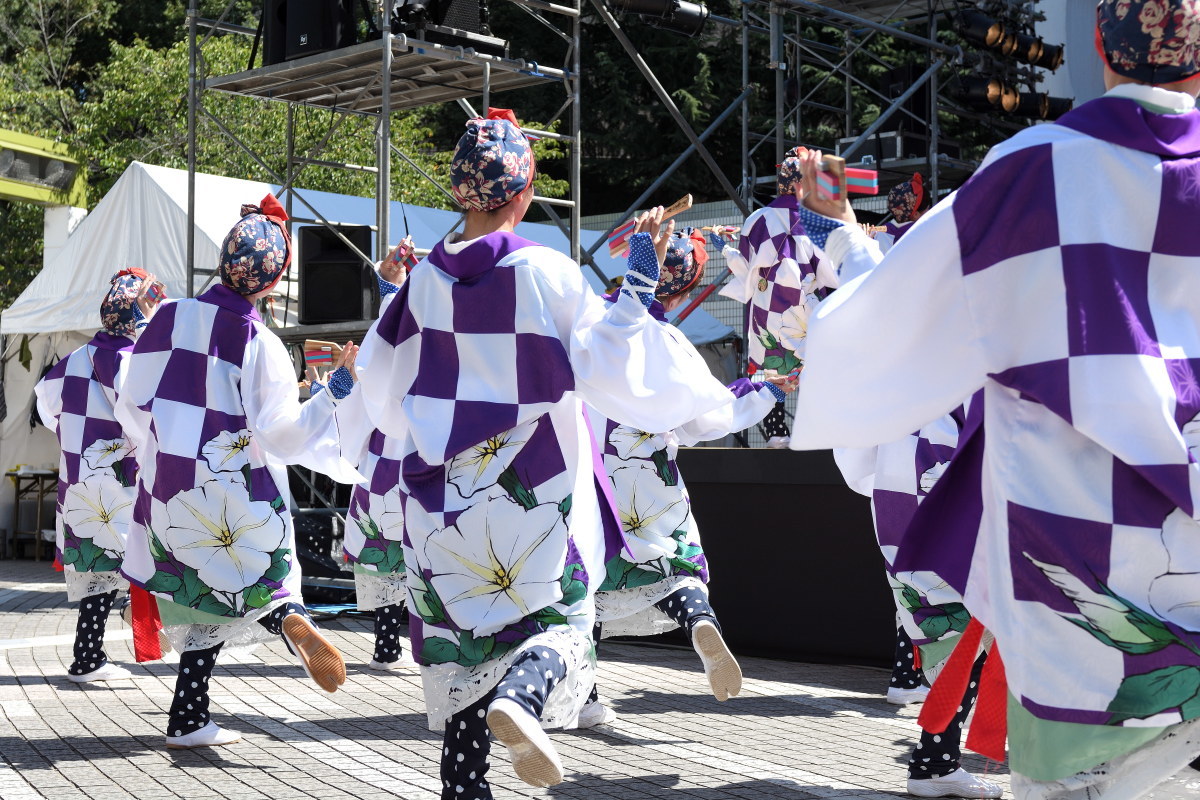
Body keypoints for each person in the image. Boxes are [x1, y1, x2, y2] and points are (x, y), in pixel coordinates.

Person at [789, 3, 1200, 796]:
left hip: (1075, 546)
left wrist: (844, 237)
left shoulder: (1031, 168)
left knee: (1076, 775)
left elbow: (891, 327)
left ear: (1096, 45)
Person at [356, 113, 738, 800]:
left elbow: (379, 396)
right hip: (533, 490)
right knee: (558, 622)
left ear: (459, 193)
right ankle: (525, 701)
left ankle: (464, 788)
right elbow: (607, 365)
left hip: (440, 500)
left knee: (466, 645)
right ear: (524, 194)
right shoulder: (543, 270)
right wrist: (637, 289)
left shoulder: (418, 289)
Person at [116, 195, 362, 749]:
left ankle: (188, 719)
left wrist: (157, 445)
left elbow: (133, 397)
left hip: (172, 483)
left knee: (203, 594)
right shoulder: (262, 343)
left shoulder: (168, 316)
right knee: (261, 577)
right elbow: (284, 436)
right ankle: (286, 618)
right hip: (233, 486)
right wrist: (336, 389)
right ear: (271, 282)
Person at [580, 228, 793, 727]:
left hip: (588, 469)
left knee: (582, 583)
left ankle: (586, 697)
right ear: (678, 290)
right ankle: (699, 620)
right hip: (649, 468)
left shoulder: (589, 320)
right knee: (675, 560)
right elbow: (708, 415)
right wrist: (764, 390)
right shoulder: (667, 340)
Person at [835, 401, 1001, 799]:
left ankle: (934, 762)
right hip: (965, 498)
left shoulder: (897, 364)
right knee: (972, 643)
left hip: (900, 500)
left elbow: (855, 455)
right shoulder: (978, 354)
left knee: (954, 638)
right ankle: (935, 764)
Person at [33, 269, 164, 683]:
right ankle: (90, 657)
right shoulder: (129, 360)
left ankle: (87, 655)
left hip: (79, 476)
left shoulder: (74, 359)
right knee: (121, 562)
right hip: (118, 479)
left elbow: (44, 403)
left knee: (98, 568)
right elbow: (142, 418)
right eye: (150, 299)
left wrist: (72, 437)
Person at [715, 149, 839, 448]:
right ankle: (820, 433)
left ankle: (776, 432)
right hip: (805, 308)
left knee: (770, 369)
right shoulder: (818, 221)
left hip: (766, 311)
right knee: (813, 366)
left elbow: (745, 269)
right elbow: (830, 273)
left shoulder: (757, 219)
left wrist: (725, 250)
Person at [337, 240, 414, 671]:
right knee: (413, 548)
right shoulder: (427, 333)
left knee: (386, 548)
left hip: (385, 455)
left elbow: (381, 345)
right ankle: (406, 645)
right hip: (415, 451)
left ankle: (388, 646)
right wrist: (392, 284)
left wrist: (390, 284)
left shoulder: (393, 336)